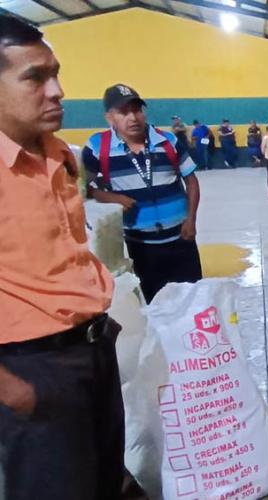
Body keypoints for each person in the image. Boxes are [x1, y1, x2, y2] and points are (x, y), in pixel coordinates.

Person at [0, 15, 124, 499]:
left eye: (56, 73)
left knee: (102, 484)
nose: (57, 91)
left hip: (93, 350)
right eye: (35, 77)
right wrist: (13, 390)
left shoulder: (60, 154)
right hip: (33, 370)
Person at [83, 84, 203, 304]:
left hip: (182, 238)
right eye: (123, 112)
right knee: (156, 305)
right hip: (141, 245)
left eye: (137, 109)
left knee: (193, 303)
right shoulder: (97, 147)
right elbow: (81, 188)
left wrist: (191, 220)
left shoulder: (168, 141)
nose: (133, 117)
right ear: (109, 117)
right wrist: (109, 197)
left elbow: (191, 181)